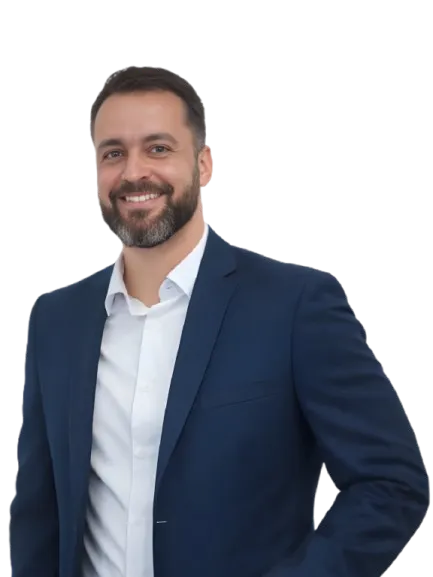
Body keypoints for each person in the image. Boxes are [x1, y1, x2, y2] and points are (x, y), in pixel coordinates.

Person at [9, 64, 430, 577]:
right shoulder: (57, 321)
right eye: (114, 152)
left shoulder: (294, 306)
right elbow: (39, 510)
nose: (134, 172)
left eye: (158, 148)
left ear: (204, 164)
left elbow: (392, 483)